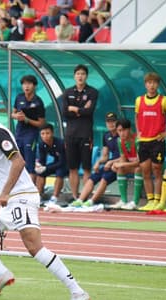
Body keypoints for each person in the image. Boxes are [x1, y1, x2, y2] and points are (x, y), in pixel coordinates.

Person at [0, 96, 91, 300]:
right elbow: (3, 169)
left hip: (21, 197)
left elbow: (19, 161)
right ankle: (0, 272)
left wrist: (4, 193)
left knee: (34, 247)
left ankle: (78, 292)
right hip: (7, 199)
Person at [134, 72, 166, 211]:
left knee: (157, 170)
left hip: (157, 141)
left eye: (154, 83)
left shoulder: (164, 100)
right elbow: (136, 116)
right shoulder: (139, 100)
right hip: (143, 141)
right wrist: (138, 131)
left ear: (157, 85)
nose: (151, 85)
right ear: (145, 84)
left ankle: (159, 200)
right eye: (149, 82)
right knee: (145, 171)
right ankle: (150, 200)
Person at [70, 112, 121, 207]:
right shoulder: (106, 136)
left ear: (117, 122)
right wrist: (98, 162)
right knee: (92, 178)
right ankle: (80, 200)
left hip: (119, 164)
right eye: (108, 122)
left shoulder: (121, 135)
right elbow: (105, 156)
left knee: (104, 178)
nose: (111, 124)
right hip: (109, 164)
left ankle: (91, 201)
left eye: (113, 121)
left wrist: (111, 162)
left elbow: (125, 156)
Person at [62, 64, 98, 199]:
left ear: (86, 76)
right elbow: (65, 113)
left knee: (87, 167)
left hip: (86, 134)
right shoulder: (67, 92)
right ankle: (75, 196)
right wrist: (81, 110)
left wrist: (74, 109)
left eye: (83, 74)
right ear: (74, 76)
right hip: (71, 134)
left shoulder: (92, 92)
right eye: (78, 74)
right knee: (73, 168)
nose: (80, 76)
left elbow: (89, 111)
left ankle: (85, 196)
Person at [11, 74, 46, 182]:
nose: (26, 86)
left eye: (29, 84)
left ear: (34, 86)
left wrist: (26, 120)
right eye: (24, 84)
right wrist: (16, 116)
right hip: (19, 133)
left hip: (31, 134)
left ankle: (31, 190)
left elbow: (41, 123)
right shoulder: (19, 97)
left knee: (30, 163)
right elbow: (12, 113)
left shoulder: (38, 102)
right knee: (17, 161)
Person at [107, 118, 143, 210]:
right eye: (119, 131)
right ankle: (123, 200)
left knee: (138, 168)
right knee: (120, 169)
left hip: (145, 167)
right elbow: (123, 159)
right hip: (133, 166)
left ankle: (135, 202)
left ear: (129, 129)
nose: (121, 133)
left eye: (124, 130)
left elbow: (139, 162)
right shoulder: (119, 141)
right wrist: (117, 165)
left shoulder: (137, 140)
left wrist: (121, 164)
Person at [35, 123, 68, 204]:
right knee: (41, 173)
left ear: (52, 133)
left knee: (60, 173)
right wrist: (39, 165)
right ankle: (39, 196)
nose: (45, 136)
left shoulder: (60, 143)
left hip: (67, 163)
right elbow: (42, 160)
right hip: (56, 162)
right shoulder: (41, 144)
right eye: (42, 134)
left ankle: (54, 197)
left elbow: (62, 162)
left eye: (47, 133)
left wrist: (46, 168)